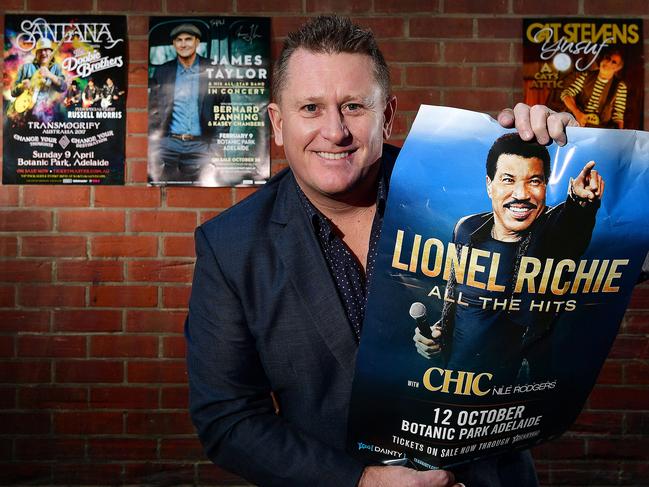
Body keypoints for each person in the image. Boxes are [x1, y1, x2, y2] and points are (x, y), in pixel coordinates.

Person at [186, 15, 577, 487]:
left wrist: (575, 152)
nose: (334, 131)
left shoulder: (469, 194)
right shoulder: (231, 247)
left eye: (353, 106)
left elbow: (626, 260)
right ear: (277, 122)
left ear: (388, 115)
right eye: (310, 107)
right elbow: (228, 420)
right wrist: (362, 481)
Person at [413, 133, 604, 385]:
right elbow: (455, 297)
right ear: (489, 185)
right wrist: (434, 335)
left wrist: (581, 202)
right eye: (508, 180)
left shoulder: (552, 231)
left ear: (545, 185)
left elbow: (571, 224)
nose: (521, 194)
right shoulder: (467, 229)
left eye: (534, 181)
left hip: (513, 391)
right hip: (454, 379)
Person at [148, 23, 230, 183]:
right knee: (162, 191)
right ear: (173, 44)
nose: (183, 44)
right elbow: (154, 110)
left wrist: (216, 150)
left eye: (188, 39)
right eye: (179, 40)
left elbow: (224, 112)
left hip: (201, 145)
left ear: (197, 42)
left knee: (206, 190)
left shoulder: (214, 69)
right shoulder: (163, 71)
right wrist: (157, 145)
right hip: (168, 145)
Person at [560, 51, 627, 129]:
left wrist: (620, 134)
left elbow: (618, 116)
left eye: (614, 62)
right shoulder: (586, 76)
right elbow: (566, 94)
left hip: (601, 129)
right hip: (578, 124)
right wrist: (577, 112)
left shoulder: (620, 86)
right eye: (607, 58)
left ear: (617, 68)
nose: (608, 62)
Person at [11, 37, 66, 122]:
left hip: (49, 118)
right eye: (40, 50)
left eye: (46, 50)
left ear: (51, 52)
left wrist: (50, 75)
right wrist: (22, 86)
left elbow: (63, 87)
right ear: (36, 53)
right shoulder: (26, 68)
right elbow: (12, 92)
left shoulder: (56, 68)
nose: (43, 53)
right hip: (26, 118)